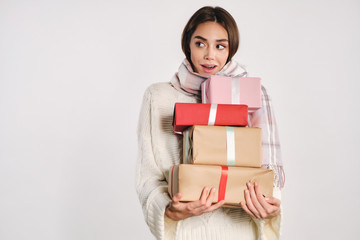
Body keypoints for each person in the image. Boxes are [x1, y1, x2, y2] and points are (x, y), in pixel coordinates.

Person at [136, 6, 284, 240]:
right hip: (188, 232)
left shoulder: (252, 95)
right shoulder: (158, 97)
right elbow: (148, 178)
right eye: (200, 43)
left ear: (231, 49)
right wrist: (170, 210)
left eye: (220, 46)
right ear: (188, 44)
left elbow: (270, 178)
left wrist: (271, 209)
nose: (210, 55)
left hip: (242, 230)